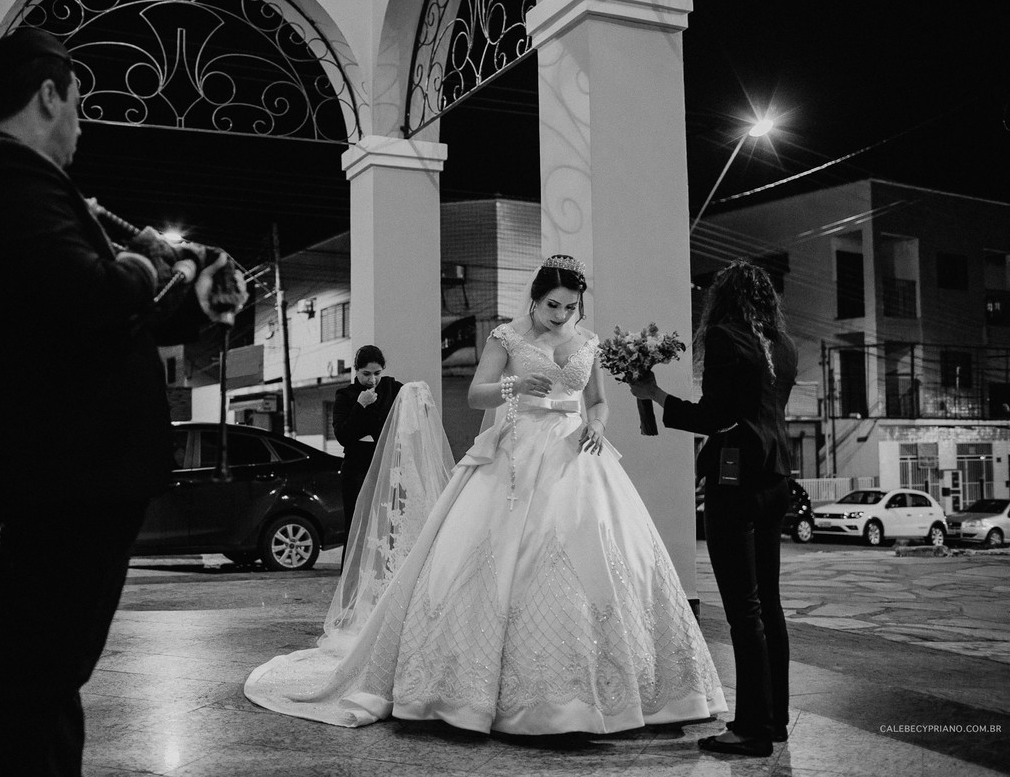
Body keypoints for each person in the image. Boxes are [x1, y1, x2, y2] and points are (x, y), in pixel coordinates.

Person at [0, 29, 246, 776]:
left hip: (71, 481)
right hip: (61, 484)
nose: (82, 124)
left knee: (44, 681)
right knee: (35, 683)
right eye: (80, 104)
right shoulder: (6, 176)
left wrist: (203, 296)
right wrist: (144, 260)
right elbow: (93, 294)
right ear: (50, 94)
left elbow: (113, 317)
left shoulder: (18, 182)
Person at [246, 255, 726, 736]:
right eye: (552, 305)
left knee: (604, 554)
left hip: (578, 455)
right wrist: (514, 385)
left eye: (570, 307)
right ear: (534, 299)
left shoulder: (588, 342)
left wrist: (596, 426)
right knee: (495, 557)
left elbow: (597, 401)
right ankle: (480, 691)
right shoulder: (506, 336)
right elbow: (478, 394)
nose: (560, 315)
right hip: (516, 453)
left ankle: (612, 693)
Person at [630, 259, 797, 757]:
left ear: (722, 299)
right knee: (769, 603)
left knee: (743, 611)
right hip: (777, 478)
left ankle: (749, 729)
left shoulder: (725, 337)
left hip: (738, 481)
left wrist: (654, 393)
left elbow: (715, 415)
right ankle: (775, 719)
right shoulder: (785, 346)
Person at [332, 345, 403, 554]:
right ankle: (353, 583)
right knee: (357, 528)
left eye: (377, 373)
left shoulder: (393, 388)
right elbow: (343, 437)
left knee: (387, 525)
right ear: (356, 370)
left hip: (387, 465)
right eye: (366, 374)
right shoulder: (345, 395)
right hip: (357, 470)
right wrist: (359, 406)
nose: (372, 380)